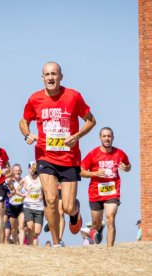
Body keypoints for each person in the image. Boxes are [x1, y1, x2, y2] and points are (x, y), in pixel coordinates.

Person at [19, 61, 96, 247]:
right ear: (42, 77)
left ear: (61, 76)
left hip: (69, 158)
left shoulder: (73, 96)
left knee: (67, 207)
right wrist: (27, 134)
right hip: (45, 156)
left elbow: (91, 121)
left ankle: (75, 211)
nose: (51, 78)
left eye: (54, 74)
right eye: (47, 74)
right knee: (51, 199)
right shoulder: (35, 99)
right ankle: (56, 242)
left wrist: (77, 136)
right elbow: (23, 121)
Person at [80, 127, 131, 247]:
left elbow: (128, 166)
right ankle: (99, 229)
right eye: (104, 136)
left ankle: (110, 251)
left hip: (112, 192)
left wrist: (126, 168)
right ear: (100, 138)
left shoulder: (119, 153)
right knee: (96, 223)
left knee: (110, 218)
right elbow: (80, 171)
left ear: (113, 137)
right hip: (95, 192)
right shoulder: (93, 154)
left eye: (109, 136)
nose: (107, 138)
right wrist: (94, 173)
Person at [17, 161, 44, 246]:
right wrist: (23, 195)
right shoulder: (25, 179)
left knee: (37, 231)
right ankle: (31, 244)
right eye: (31, 169)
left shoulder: (41, 178)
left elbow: (46, 189)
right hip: (28, 206)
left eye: (34, 169)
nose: (32, 171)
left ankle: (31, 241)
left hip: (39, 207)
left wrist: (42, 195)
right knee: (30, 226)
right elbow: (17, 190)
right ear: (28, 169)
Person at [6, 163, 26, 245]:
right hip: (12, 206)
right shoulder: (9, 181)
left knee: (21, 227)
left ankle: (21, 245)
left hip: (21, 206)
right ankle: (16, 243)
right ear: (12, 172)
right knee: (13, 229)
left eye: (19, 170)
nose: (17, 172)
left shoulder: (24, 181)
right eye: (15, 171)